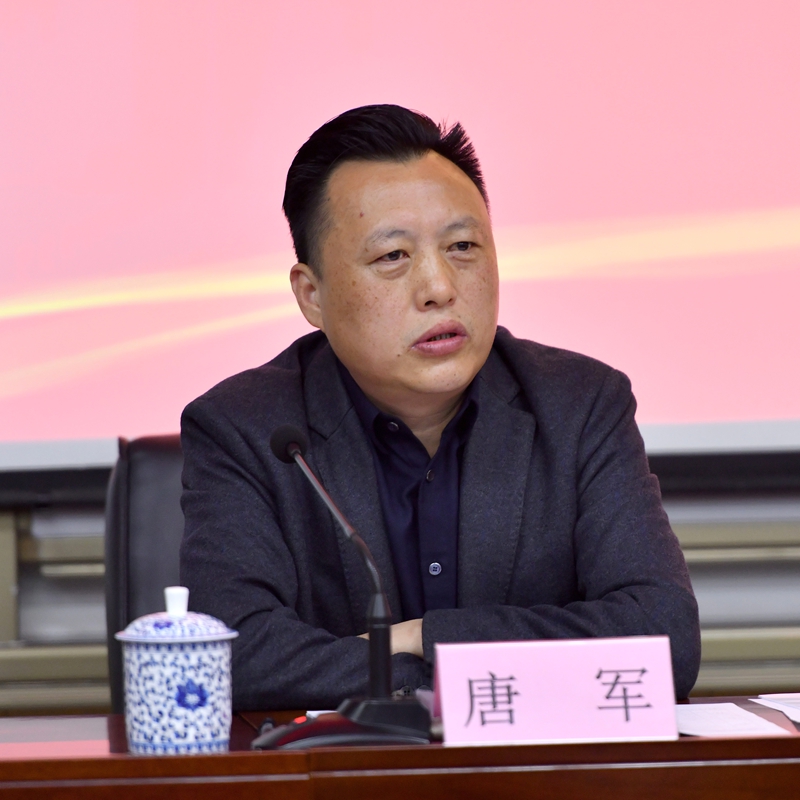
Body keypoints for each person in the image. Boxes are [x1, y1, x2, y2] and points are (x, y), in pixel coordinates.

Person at [180, 104, 700, 710]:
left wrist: (424, 638)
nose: (439, 287)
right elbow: (234, 658)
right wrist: (451, 672)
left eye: (462, 246)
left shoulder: (580, 408)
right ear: (312, 294)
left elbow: (664, 640)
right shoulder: (246, 429)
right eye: (392, 257)